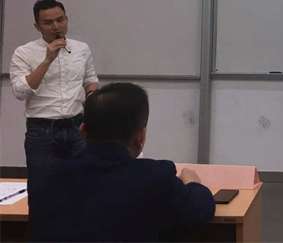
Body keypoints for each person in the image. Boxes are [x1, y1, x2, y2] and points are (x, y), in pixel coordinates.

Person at [28, 82, 216, 243]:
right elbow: (201, 208)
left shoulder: (46, 180)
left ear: (82, 131)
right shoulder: (155, 178)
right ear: (140, 137)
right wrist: (192, 183)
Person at [10, 0, 99, 171]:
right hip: (41, 129)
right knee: (42, 182)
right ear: (37, 26)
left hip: (77, 125)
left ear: (67, 19)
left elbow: (90, 79)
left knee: (82, 179)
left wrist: (91, 95)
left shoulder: (82, 48)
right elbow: (20, 92)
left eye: (60, 20)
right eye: (48, 22)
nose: (56, 26)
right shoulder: (24, 52)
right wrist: (47, 60)